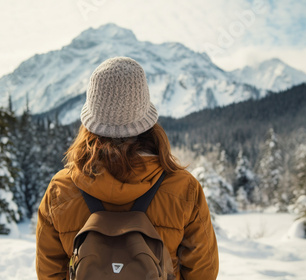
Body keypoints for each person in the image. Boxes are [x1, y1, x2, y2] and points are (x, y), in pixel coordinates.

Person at [36, 56, 219, 279]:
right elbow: (203, 273)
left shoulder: (60, 190)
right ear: (146, 119)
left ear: (90, 121)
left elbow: (49, 273)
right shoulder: (184, 189)